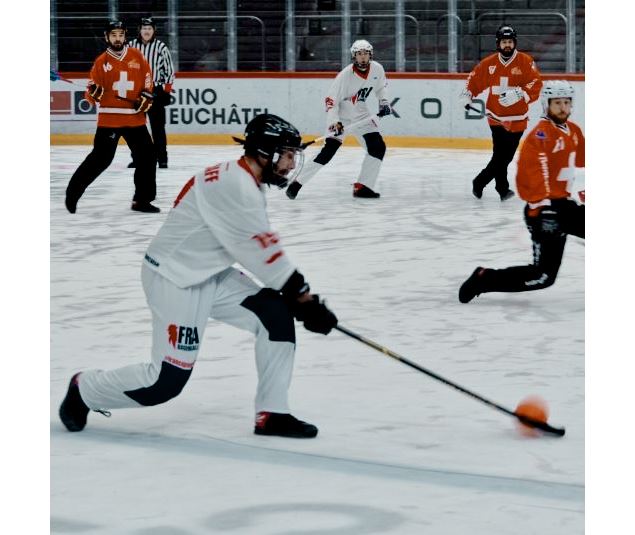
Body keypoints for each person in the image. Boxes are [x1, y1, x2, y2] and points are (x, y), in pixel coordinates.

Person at [59, 114, 339, 439]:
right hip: (175, 280)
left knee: (275, 315)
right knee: (163, 384)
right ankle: (85, 389)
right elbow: (263, 252)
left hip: (210, 275)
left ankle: (272, 413)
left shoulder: (240, 178)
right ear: (265, 152)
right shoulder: (236, 187)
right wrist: (303, 298)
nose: (292, 164)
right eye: (288, 154)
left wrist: (297, 301)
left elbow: (249, 246)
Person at [458, 80, 584, 303]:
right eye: (557, 103)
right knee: (542, 277)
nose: (563, 107)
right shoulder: (540, 136)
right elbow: (532, 174)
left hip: (565, 207)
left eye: (567, 102)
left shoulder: (573, 131)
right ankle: (483, 279)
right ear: (547, 105)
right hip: (543, 211)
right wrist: (543, 206)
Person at [65, 21, 160, 214]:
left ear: (125, 36)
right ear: (106, 37)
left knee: (147, 158)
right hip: (110, 121)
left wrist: (146, 97)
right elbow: (91, 94)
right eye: (113, 35)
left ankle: (141, 201)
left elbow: (148, 82)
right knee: (100, 160)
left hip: (135, 119)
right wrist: (95, 93)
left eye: (120, 35)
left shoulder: (137, 56)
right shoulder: (101, 62)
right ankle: (72, 193)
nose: (117, 38)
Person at [285, 39, 391, 200]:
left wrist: (384, 102)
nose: (363, 57)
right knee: (328, 152)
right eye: (359, 54)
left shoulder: (377, 69)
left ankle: (363, 187)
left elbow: (381, 88)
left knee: (377, 148)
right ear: (354, 57)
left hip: (361, 114)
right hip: (341, 115)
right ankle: (296, 184)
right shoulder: (345, 75)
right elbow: (331, 101)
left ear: (371, 55)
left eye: (365, 54)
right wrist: (335, 122)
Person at [459, 25, 543, 201]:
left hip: (518, 118)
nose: (507, 45)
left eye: (510, 42)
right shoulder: (489, 63)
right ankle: (502, 189)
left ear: (514, 43)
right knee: (500, 155)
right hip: (495, 118)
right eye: (504, 42)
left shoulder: (526, 61)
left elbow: (536, 82)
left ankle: (480, 181)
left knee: (506, 157)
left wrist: (520, 93)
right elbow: (474, 79)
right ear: (498, 43)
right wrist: (467, 95)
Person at [128, 16, 175, 169]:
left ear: (154, 30)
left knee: (158, 127)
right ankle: (139, 157)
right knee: (135, 128)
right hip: (136, 91)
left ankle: (162, 158)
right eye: (144, 28)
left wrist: (166, 93)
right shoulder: (131, 46)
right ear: (139, 30)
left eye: (149, 29)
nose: (146, 31)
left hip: (155, 91)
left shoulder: (161, 47)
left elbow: (169, 72)